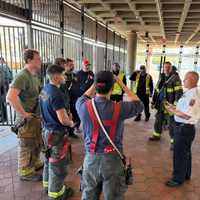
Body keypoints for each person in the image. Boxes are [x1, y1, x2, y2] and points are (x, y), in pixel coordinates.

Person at [76, 71, 143, 200]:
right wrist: (121, 84)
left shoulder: (82, 106)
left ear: (96, 86)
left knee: (88, 195)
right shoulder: (120, 108)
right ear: (112, 88)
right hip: (113, 160)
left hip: (91, 160)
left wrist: (95, 83)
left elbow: (84, 96)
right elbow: (139, 104)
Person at [6, 49, 43, 181]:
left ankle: (34, 163)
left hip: (35, 117)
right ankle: (25, 171)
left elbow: (39, 93)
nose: (40, 61)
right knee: (26, 144)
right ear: (29, 60)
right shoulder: (22, 76)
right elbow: (10, 97)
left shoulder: (34, 75)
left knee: (35, 142)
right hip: (26, 119)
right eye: (37, 59)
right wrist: (24, 114)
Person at [39, 64, 74, 199]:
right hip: (56, 133)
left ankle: (47, 186)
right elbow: (63, 119)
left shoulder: (45, 89)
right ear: (55, 76)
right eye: (63, 74)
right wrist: (71, 123)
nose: (65, 76)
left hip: (46, 130)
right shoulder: (57, 94)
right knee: (57, 164)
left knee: (49, 159)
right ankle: (56, 194)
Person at [165, 71, 200, 187]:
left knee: (179, 154)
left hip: (184, 129)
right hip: (184, 128)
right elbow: (183, 108)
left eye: (185, 79)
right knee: (186, 153)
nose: (183, 81)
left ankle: (177, 179)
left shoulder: (193, 95)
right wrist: (173, 107)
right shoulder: (188, 92)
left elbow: (186, 115)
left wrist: (172, 111)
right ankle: (185, 174)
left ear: (192, 80)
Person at [149, 62, 183, 147]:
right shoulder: (161, 77)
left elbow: (179, 93)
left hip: (170, 105)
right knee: (158, 120)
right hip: (161, 104)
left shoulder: (175, 78)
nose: (166, 69)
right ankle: (156, 135)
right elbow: (157, 90)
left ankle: (173, 142)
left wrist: (175, 106)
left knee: (172, 123)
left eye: (168, 67)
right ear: (163, 68)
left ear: (171, 68)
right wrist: (153, 101)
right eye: (165, 67)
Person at [64, 58, 81, 137]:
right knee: (66, 115)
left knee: (74, 115)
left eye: (72, 65)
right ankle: (66, 132)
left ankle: (71, 132)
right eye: (70, 65)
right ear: (65, 66)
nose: (72, 67)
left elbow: (77, 85)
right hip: (66, 100)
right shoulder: (62, 76)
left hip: (75, 99)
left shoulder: (75, 75)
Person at [0, 57, 12, 122]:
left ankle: (3, 117)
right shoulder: (7, 67)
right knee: (3, 101)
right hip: (5, 86)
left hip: (2, 86)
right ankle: (4, 117)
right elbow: (10, 77)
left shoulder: (3, 67)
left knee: (2, 102)